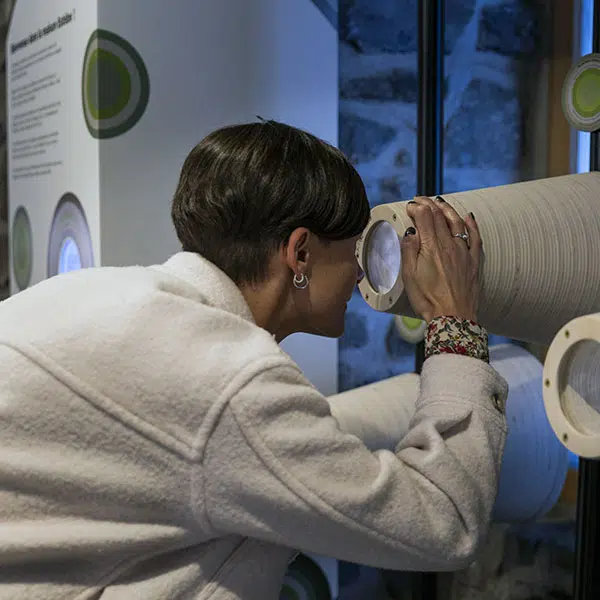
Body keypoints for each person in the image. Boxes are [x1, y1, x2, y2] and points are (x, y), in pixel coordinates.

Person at [0, 120, 508, 600]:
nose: (360, 277)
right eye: (355, 253)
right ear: (301, 253)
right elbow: (445, 524)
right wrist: (452, 321)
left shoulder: (101, 291)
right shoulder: (228, 380)